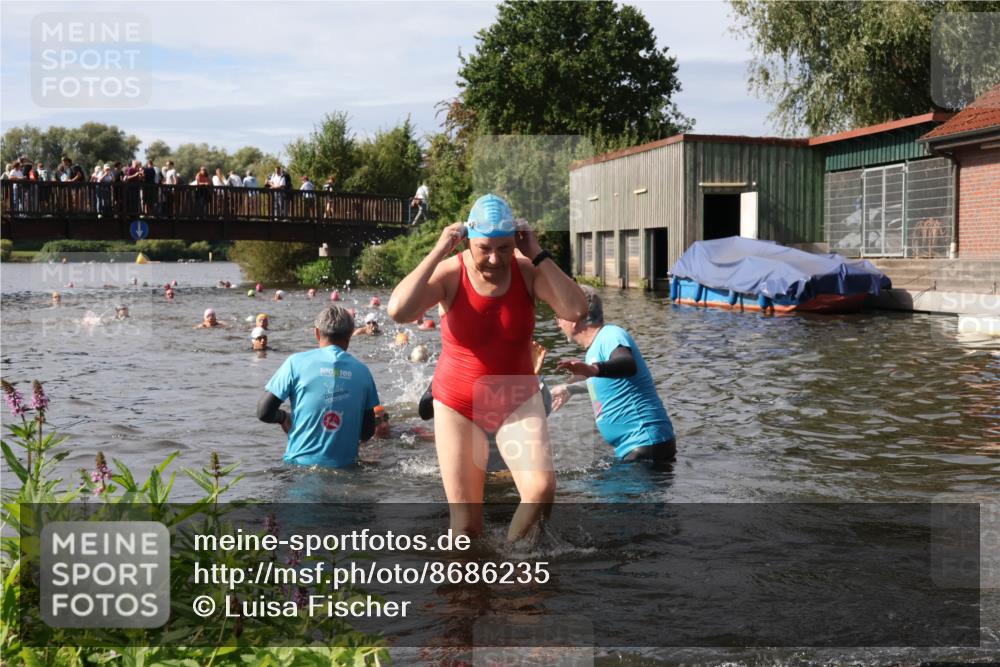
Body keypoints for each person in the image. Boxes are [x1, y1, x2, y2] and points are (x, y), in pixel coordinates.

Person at [388, 193, 587, 540]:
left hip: (516, 398)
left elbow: (576, 311)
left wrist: (537, 252)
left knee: (540, 490)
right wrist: (438, 251)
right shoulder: (451, 273)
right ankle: (467, 591)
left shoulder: (527, 272)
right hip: (458, 403)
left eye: (505, 248)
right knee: (466, 526)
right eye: (485, 248)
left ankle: (515, 569)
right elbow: (399, 311)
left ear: (516, 242)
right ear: (468, 240)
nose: (495, 259)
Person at [552, 286, 677, 463]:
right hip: (636, 447)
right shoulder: (596, 348)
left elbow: (627, 364)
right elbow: (609, 384)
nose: (558, 323)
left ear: (574, 316)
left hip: (645, 443)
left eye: (558, 316)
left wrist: (593, 369)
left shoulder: (611, 334)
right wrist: (570, 389)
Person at [257, 305, 381, 468]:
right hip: (346, 470)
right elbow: (367, 432)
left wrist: (283, 417)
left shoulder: (295, 363)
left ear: (317, 332)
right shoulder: (363, 372)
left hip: (299, 467)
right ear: (350, 334)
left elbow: (263, 412)